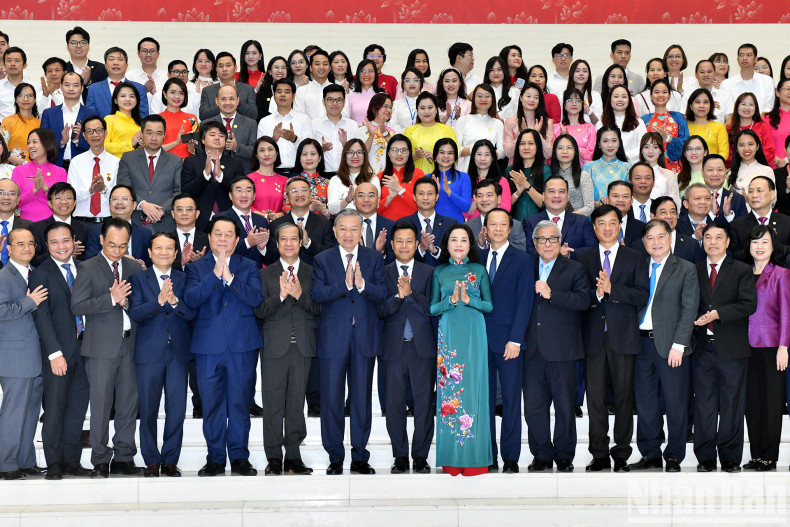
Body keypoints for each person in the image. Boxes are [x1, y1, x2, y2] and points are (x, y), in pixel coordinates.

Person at [183, 216, 263, 477]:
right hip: (208, 347)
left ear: (237, 240)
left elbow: (255, 299)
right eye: (218, 234)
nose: (223, 239)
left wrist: (230, 278)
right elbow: (191, 300)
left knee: (240, 403)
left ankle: (239, 457)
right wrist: (214, 277)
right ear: (209, 238)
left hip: (241, 346)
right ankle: (215, 458)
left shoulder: (248, 265)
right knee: (212, 405)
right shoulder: (196, 268)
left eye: (229, 234)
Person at [312, 209, 386, 475]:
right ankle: (334, 456)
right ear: (334, 231)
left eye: (353, 229)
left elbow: (382, 294)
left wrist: (363, 284)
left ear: (361, 231)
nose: (348, 234)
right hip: (333, 340)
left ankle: (359, 456)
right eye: (342, 228)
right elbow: (317, 293)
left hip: (364, 338)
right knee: (331, 399)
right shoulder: (322, 259)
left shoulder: (374, 258)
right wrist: (343, 285)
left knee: (361, 399)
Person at [71, 217, 144, 478]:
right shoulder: (88, 268)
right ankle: (100, 459)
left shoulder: (135, 267)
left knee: (127, 404)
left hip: (131, 344)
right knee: (101, 405)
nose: (117, 251)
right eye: (112, 245)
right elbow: (77, 306)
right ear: (102, 240)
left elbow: (142, 306)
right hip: (100, 347)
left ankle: (124, 457)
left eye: (123, 246)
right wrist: (111, 299)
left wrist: (126, 304)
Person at [579, 205, 649, 473]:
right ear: (594, 227)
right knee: (595, 399)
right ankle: (599, 454)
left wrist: (613, 290)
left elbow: (642, 294)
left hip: (624, 338)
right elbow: (580, 297)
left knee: (623, 399)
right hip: (594, 339)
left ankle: (621, 454)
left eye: (612, 223)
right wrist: (597, 295)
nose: (607, 228)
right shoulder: (584, 258)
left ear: (620, 225)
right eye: (601, 223)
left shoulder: (635, 257)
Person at [630, 219, 699, 473]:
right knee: (646, 402)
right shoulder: (638, 266)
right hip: (641, 345)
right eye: (650, 238)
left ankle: (673, 455)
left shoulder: (685, 268)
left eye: (661, 237)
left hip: (672, 346)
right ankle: (649, 453)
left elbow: (688, 308)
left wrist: (679, 345)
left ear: (670, 239)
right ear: (644, 242)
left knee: (675, 402)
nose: (655, 242)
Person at [523, 219, 589, 473]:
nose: (548, 244)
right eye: (542, 239)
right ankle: (541, 454)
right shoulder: (525, 266)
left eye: (553, 239)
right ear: (535, 243)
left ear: (560, 242)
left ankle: (564, 455)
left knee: (564, 407)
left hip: (563, 350)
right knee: (534, 409)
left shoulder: (574, 269)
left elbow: (584, 301)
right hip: (532, 351)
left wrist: (553, 294)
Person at [254, 222, 319, 476]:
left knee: (295, 404)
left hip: (302, 346)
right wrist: (280, 296)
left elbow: (318, 309)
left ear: (301, 242)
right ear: (277, 244)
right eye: (284, 239)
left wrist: (301, 294)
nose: (289, 243)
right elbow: (259, 311)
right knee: (272, 404)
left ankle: (293, 456)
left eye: (294, 238)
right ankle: (273, 458)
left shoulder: (313, 273)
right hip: (274, 347)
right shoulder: (265, 274)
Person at [128, 232, 194, 478]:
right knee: (148, 409)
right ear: (150, 251)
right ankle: (151, 460)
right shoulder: (138, 279)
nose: (164, 252)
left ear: (176, 253)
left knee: (176, 408)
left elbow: (191, 313)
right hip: (148, 353)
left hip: (178, 352)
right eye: (159, 248)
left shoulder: (184, 278)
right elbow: (136, 313)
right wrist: (158, 301)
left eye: (169, 248)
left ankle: (170, 460)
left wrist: (175, 302)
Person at [691, 221, 756, 473]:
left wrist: (718, 313)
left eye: (719, 237)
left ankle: (730, 457)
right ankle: (705, 457)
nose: (713, 242)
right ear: (703, 241)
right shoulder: (693, 270)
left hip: (732, 348)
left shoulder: (741, 270)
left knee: (732, 403)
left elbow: (748, 304)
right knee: (704, 404)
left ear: (728, 242)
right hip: (701, 348)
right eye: (708, 237)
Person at [429, 223, 492, 476]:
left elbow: (489, 306)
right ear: (446, 245)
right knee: (450, 396)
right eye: (453, 240)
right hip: (450, 337)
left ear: (470, 244)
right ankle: (452, 460)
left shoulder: (479, 270)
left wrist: (469, 300)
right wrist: (451, 301)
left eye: (463, 240)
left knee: (474, 391)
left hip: (474, 335)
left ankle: (476, 460)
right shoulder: (439, 272)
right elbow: (432, 309)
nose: (458, 244)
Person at [29, 222, 90, 480]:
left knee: (77, 408)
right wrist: (54, 353)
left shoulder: (86, 269)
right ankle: (54, 462)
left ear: (73, 240)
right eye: (54, 242)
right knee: (54, 408)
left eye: (65, 240)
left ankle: (71, 461)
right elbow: (41, 316)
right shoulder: (40, 273)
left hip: (86, 351)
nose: (61, 246)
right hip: (58, 355)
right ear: (47, 245)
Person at [377, 220, 436, 475]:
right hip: (393, 348)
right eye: (399, 241)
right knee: (394, 404)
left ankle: (420, 456)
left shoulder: (429, 272)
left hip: (422, 348)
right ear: (391, 244)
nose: (404, 245)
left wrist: (411, 294)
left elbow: (433, 308)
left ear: (417, 244)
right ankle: (400, 455)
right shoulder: (382, 271)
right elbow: (378, 310)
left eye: (409, 241)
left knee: (424, 404)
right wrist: (397, 298)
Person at [480, 208, 533, 473]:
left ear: (510, 228)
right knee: (485, 401)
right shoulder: (475, 258)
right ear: (485, 228)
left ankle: (510, 457)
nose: (498, 229)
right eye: (493, 224)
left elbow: (525, 302)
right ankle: (488, 455)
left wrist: (516, 339)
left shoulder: (522, 260)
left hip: (509, 343)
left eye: (504, 224)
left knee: (511, 400)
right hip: (479, 341)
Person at [0, 227, 46, 480]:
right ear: (9, 249)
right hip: (14, 357)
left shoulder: (35, 274)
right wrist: (29, 303)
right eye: (20, 244)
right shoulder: (3, 276)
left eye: (30, 243)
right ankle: (5, 464)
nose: (27, 248)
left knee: (29, 413)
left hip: (36, 357)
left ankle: (25, 461)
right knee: (13, 412)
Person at [743, 226, 790, 472]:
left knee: (771, 403)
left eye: (765, 242)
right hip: (746, 347)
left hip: (772, 346)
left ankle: (769, 457)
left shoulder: (781, 274)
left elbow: (786, 312)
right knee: (752, 403)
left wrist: (784, 346)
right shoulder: (742, 273)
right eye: (755, 242)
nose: (759, 247)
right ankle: (756, 455)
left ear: (773, 247)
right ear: (748, 246)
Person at [117, 114, 181, 232]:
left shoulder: (176, 161)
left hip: (165, 222)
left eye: (159, 133)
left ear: (164, 135)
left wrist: (161, 211)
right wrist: (142, 204)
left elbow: (178, 192)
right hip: (134, 221)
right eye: (149, 133)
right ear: (142, 134)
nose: (154, 138)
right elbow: (123, 188)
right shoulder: (128, 158)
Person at [180, 120, 245, 232]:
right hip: (199, 220)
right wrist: (205, 174)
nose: (217, 138)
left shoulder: (236, 163)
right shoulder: (191, 162)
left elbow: (240, 192)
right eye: (212, 134)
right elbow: (186, 192)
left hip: (228, 219)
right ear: (203, 140)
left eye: (221, 135)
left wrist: (220, 176)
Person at [265, 175, 335, 266]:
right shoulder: (275, 225)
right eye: (294, 191)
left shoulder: (325, 223)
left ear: (310, 195)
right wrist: (262, 248)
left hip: (315, 277)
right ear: (287, 197)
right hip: (283, 277)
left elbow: (329, 256)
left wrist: (308, 243)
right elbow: (270, 259)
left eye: (304, 190)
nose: (300, 195)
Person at [524, 176, 596, 259]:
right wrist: (556, 253)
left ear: (568, 196)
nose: (556, 195)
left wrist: (569, 254)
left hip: (574, 270)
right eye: (551, 191)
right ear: (543, 196)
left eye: (561, 191)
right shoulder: (531, 222)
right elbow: (530, 252)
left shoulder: (582, 222)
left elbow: (592, 250)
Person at [82, 185, 152, 267]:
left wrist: (144, 269)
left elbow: (151, 263)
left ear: (134, 205)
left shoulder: (145, 233)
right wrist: (124, 260)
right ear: (109, 204)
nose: (119, 202)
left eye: (125, 199)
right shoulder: (97, 230)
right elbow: (91, 259)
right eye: (115, 199)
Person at [257, 78, 313, 174]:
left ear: (293, 96)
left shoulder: (304, 119)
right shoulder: (264, 121)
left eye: (287, 92)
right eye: (279, 91)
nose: (282, 95)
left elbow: (310, 149)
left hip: (299, 173)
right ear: (274, 96)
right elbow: (260, 150)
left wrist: (294, 139)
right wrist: (273, 140)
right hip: (272, 173)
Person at [11, 128, 67, 221]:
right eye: (29, 142)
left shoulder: (60, 172)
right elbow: (14, 202)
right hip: (26, 224)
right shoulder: (19, 170)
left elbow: (62, 202)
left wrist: (45, 188)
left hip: (52, 225)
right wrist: (34, 190)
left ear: (47, 144)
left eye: (34, 142)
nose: (30, 146)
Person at [29, 182, 90, 266]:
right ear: (50, 203)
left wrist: (74, 256)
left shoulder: (85, 228)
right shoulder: (36, 228)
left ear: (75, 202)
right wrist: (62, 252)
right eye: (58, 198)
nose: (63, 202)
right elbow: (34, 261)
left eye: (68, 198)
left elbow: (91, 258)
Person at [728, 176, 790, 258]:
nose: (754, 195)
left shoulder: (787, 222)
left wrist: (775, 243)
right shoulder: (736, 225)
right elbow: (734, 256)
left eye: (759, 191)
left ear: (772, 194)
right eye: (750, 191)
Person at [402, 176, 457, 268]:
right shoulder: (404, 224)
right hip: (414, 278)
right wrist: (421, 249)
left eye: (430, 193)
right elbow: (400, 256)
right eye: (421, 193)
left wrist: (435, 251)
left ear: (437, 197)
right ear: (414, 197)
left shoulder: (451, 224)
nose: (425, 197)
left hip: (442, 277)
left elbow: (455, 256)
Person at [216, 175, 270, 268]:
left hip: (257, 275)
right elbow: (220, 251)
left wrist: (262, 249)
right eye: (239, 190)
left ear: (254, 196)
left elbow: (269, 259)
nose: (244, 195)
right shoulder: (220, 219)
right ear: (230, 196)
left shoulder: (262, 221)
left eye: (248, 191)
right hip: (231, 273)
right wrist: (248, 242)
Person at [40, 71, 90, 168]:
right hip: (55, 166)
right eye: (67, 85)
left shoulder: (91, 114)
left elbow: (96, 144)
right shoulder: (49, 113)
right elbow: (43, 143)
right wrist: (61, 142)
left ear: (82, 88)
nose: (71, 89)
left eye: (75, 85)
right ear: (61, 87)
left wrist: (77, 140)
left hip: (83, 166)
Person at [640, 79, 689, 172]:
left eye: (664, 92)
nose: (660, 95)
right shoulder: (643, 119)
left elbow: (686, 145)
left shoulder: (678, 117)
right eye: (656, 92)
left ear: (669, 95)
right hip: (649, 170)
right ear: (651, 96)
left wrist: (668, 138)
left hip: (675, 169)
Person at [85, 47, 148, 119]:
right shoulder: (93, 89)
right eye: (111, 59)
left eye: (120, 59)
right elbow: (91, 116)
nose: (116, 63)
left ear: (127, 65)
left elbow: (143, 116)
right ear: (105, 65)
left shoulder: (139, 88)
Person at [403, 92, 457, 175]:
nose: (426, 111)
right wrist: (415, 155)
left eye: (430, 107)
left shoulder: (447, 130)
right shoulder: (409, 131)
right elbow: (402, 157)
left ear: (436, 109)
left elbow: (456, 154)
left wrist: (436, 157)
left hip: (441, 178)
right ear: (417, 110)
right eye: (422, 108)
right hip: (415, 179)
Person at [454, 84, 504, 173]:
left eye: (487, 96)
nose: (483, 99)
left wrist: (489, 152)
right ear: (473, 99)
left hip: (489, 171)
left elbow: (502, 152)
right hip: (466, 170)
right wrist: (476, 149)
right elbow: (455, 149)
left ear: (492, 99)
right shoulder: (462, 120)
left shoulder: (498, 123)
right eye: (479, 96)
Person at [466, 179, 526, 251]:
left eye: (489, 195)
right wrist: (480, 245)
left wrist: (496, 242)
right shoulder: (467, 227)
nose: (484, 199)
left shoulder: (515, 225)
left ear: (498, 199)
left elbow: (520, 251)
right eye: (480, 196)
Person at [311, 84, 356, 177]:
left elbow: (359, 153)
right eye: (330, 100)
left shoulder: (353, 125)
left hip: (347, 174)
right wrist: (321, 149)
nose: (334, 103)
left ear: (344, 102)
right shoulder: (314, 124)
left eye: (339, 100)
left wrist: (345, 145)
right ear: (323, 102)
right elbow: (308, 151)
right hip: (322, 175)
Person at [503, 82, 554, 164]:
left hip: (539, 170)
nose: (532, 100)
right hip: (516, 169)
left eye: (536, 97)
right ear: (521, 98)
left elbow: (549, 154)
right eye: (528, 96)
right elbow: (508, 153)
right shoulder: (510, 121)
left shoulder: (547, 122)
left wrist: (537, 135)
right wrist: (521, 134)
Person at [198, 52, 256, 121]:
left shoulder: (248, 89)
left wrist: (236, 97)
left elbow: (253, 115)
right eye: (221, 66)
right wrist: (222, 104)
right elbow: (203, 115)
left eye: (228, 65)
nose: (224, 69)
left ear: (235, 68)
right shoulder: (208, 91)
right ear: (216, 69)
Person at [506, 129, 549, 221]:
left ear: (538, 146)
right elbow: (504, 205)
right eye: (522, 144)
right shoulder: (510, 171)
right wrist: (517, 193)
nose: (526, 147)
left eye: (531, 143)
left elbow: (546, 203)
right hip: (514, 225)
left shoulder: (545, 170)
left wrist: (525, 184)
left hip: (539, 225)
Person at [326, 139, 375, 216]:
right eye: (350, 152)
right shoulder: (335, 180)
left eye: (359, 152)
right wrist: (348, 199)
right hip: (342, 223)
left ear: (364, 155)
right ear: (344, 156)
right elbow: (332, 209)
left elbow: (376, 205)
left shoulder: (373, 179)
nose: (355, 156)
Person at [583, 125, 630, 205]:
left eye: (614, 141)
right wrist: (597, 204)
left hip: (619, 212)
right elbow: (584, 195)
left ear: (619, 143)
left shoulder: (627, 167)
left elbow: (629, 195)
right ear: (599, 144)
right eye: (605, 141)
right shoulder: (589, 166)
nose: (610, 145)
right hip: (595, 213)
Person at [650, 196, 705, 263]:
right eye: (663, 212)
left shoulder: (692, 244)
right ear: (652, 216)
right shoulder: (641, 245)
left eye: (673, 212)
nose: (669, 216)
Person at [721, 44, 775, 112]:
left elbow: (768, 108)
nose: (744, 58)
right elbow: (727, 111)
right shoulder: (726, 84)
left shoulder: (767, 81)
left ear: (755, 59)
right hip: (735, 122)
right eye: (741, 55)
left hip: (760, 121)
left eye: (748, 55)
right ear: (737, 60)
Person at [600, 85, 646, 163]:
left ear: (629, 100)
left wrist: (624, 156)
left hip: (633, 166)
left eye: (624, 97)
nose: (620, 100)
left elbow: (644, 145)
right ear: (610, 99)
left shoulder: (638, 122)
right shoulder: (601, 123)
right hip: (607, 164)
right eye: (616, 96)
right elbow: (598, 146)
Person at [727, 92, 775, 166]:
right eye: (743, 104)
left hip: (760, 170)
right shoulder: (729, 129)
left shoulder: (763, 127)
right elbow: (727, 154)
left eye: (751, 104)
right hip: (735, 170)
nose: (747, 107)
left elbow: (769, 151)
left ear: (756, 108)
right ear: (737, 107)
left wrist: (752, 165)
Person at [377, 134, 419, 220]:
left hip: (411, 226)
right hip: (387, 226)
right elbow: (376, 210)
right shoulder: (380, 176)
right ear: (388, 153)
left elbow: (420, 205)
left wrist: (399, 189)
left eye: (403, 150)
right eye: (395, 150)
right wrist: (390, 197)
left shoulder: (418, 174)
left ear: (409, 153)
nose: (399, 154)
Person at [551, 134, 595, 215]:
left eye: (569, 148)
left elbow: (589, 207)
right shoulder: (549, 174)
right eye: (560, 148)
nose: (565, 151)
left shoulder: (584, 176)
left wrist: (569, 218)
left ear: (575, 151)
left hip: (577, 223)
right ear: (554, 151)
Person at [430, 138, 471, 222]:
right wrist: (435, 193)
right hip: (433, 225)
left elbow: (466, 207)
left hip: (456, 226)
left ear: (455, 157)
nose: (446, 156)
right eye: (442, 152)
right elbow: (422, 205)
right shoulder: (427, 178)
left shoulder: (463, 177)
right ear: (435, 156)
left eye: (450, 153)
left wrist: (449, 192)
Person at [681, 60, 735, 124]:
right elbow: (684, 118)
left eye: (709, 72)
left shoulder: (724, 95)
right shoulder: (688, 95)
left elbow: (730, 119)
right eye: (702, 72)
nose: (706, 75)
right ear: (696, 75)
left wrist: (721, 132)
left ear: (714, 73)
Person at [157, 77, 197, 160]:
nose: (177, 96)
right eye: (173, 92)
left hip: (186, 166)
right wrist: (175, 143)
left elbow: (196, 151)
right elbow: (152, 149)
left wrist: (190, 145)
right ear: (165, 94)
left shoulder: (192, 119)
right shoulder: (156, 119)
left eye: (181, 93)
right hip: (163, 164)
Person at [355, 93, 396, 176]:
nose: (388, 110)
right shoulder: (363, 130)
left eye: (390, 107)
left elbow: (398, 150)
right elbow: (360, 155)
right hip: (369, 176)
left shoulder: (396, 129)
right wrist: (371, 135)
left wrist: (385, 133)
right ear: (374, 108)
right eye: (385, 106)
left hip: (390, 176)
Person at [467, 139, 510, 215]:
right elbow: (465, 212)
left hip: (495, 223)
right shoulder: (467, 180)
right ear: (473, 156)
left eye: (487, 154)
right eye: (479, 154)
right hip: (473, 225)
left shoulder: (502, 181)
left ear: (492, 157)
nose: (483, 158)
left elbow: (506, 208)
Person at [701, 154, 748, 223]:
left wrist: (729, 216)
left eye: (719, 169)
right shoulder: (692, 198)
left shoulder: (738, 199)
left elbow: (743, 230)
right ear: (702, 172)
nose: (715, 174)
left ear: (725, 172)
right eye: (710, 170)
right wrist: (711, 214)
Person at [248, 136, 287, 219]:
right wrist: (266, 216)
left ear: (277, 153)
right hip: (255, 224)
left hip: (279, 225)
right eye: (262, 150)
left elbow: (290, 206)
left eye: (270, 149)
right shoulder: (249, 179)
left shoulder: (285, 180)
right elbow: (244, 205)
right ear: (256, 155)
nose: (266, 154)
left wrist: (279, 215)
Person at [554, 88, 597, 164]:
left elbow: (591, 155)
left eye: (578, 101)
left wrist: (570, 143)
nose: (574, 103)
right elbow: (551, 156)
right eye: (570, 100)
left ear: (582, 105)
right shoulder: (556, 128)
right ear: (564, 105)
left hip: (583, 172)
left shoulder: (590, 128)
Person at [1, 82, 40, 166]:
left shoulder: (40, 123)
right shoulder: (8, 121)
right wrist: (24, 163)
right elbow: (3, 149)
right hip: (12, 170)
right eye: (21, 96)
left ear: (34, 99)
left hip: (36, 170)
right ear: (16, 99)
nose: (25, 99)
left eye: (30, 95)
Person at [638, 132, 681, 208]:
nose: (650, 151)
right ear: (641, 150)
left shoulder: (669, 175)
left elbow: (675, 203)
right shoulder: (633, 173)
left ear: (661, 150)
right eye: (646, 147)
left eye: (655, 147)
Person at [727, 129, 774, 195]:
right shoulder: (730, 173)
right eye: (741, 145)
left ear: (757, 147)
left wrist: (749, 200)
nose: (746, 149)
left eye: (750, 144)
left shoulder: (767, 171)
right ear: (736, 149)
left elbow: (772, 201)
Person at [685, 88, 729, 159]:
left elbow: (724, 153)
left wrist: (711, 166)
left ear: (711, 106)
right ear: (691, 106)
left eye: (705, 102)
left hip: (713, 168)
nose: (701, 105)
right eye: (697, 102)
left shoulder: (719, 127)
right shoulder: (684, 127)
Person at [169, 192, 208, 272]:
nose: (184, 213)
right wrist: (182, 262)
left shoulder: (208, 240)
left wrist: (201, 262)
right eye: (180, 209)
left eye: (189, 209)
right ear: (173, 214)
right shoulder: (165, 239)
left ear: (197, 214)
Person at [126, 37, 167, 111]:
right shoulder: (129, 76)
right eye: (144, 51)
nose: (148, 54)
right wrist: (142, 90)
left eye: (152, 51)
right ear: (138, 54)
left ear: (158, 54)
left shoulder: (167, 77)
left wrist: (155, 93)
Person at [103, 82, 142, 158]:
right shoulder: (109, 119)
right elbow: (104, 146)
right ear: (115, 100)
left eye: (132, 96)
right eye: (123, 96)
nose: (128, 99)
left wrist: (140, 146)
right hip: (117, 165)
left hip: (138, 164)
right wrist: (130, 143)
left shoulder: (141, 123)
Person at [294, 49, 335, 122]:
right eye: (317, 64)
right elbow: (298, 117)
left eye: (325, 64)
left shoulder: (338, 90)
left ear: (330, 68)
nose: (321, 67)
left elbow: (344, 115)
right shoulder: (302, 91)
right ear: (310, 68)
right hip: (309, 132)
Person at [606, 180, 645, 250]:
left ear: (631, 201)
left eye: (625, 196)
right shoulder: (597, 226)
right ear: (607, 200)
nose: (620, 200)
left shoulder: (642, 228)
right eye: (615, 196)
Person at [347, 59, 383, 125]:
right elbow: (345, 119)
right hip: (355, 134)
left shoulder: (382, 97)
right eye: (362, 71)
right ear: (358, 74)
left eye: (370, 71)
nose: (366, 74)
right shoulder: (349, 96)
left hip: (377, 133)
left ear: (375, 74)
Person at [0, 47, 29, 123]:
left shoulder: (35, 87)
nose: (12, 64)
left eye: (17, 61)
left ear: (24, 65)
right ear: (4, 64)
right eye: (9, 61)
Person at [255, 56, 289, 120]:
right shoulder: (262, 93)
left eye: (283, 68)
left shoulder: (293, 91)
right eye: (276, 67)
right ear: (270, 71)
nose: (280, 70)